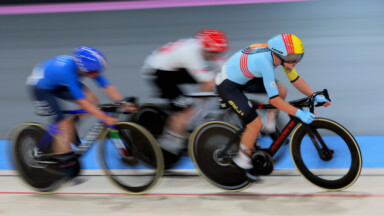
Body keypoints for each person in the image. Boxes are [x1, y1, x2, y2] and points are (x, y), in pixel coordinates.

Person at [215, 33, 332, 180]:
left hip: (246, 76)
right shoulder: (265, 62)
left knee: (282, 90)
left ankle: (270, 126)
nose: (296, 62)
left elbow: (295, 79)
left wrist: (314, 95)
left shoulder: (279, 57)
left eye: (298, 57)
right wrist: (300, 114)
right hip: (229, 85)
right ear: (279, 55)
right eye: (292, 58)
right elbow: (275, 101)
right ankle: (242, 161)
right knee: (254, 124)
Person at [26, 46, 137, 179]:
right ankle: (65, 164)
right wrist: (104, 118)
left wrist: (122, 102)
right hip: (41, 89)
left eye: (98, 71)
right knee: (62, 124)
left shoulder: (88, 67)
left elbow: (106, 86)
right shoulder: (69, 71)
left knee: (92, 99)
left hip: (59, 83)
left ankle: (71, 125)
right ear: (83, 69)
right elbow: (83, 103)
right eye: (93, 72)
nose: (96, 75)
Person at [142, 29, 229, 168]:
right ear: (205, 47)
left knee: (214, 79)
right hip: (159, 72)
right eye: (213, 53)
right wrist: (199, 109)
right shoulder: (190, 53)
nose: (215, 56)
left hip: (176, 67)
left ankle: (194, 115)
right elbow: (207, 83)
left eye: (218, 53)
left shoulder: (207, 47)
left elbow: (226, 68)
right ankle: (167, 148)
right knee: (186, 110)